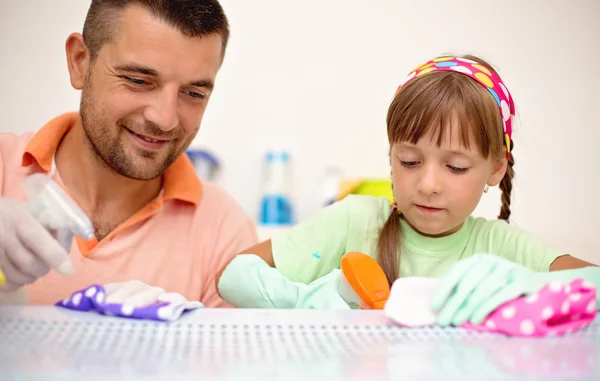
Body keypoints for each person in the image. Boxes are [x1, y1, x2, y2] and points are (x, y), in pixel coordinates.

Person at [216, 54, 599, 325]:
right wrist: (305, 302)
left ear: (495, 167)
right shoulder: (354, 221)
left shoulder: (503, 248)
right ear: (391, 156)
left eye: (456, 166)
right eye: (410, 162)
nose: (428, 185)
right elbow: (234, 274)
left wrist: (525, 284)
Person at [0, 0, 258, 307]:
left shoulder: (224, 231)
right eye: (138, 80)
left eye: (193, 93)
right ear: (80, 61)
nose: (165, 119)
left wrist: (174, 344)